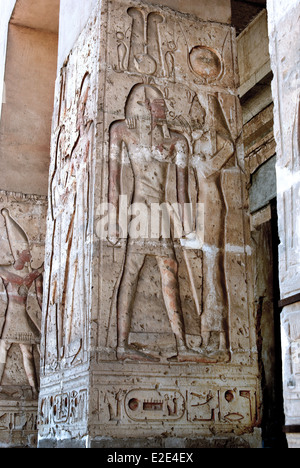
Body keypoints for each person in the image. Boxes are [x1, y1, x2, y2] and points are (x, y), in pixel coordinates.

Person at [108, 83, 204, 362]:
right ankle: (122, 344)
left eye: (163, 107)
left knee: (169, 277)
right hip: (140, 212)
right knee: (131, 274)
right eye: (157, 107)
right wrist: (113, 219)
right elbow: (114, 182)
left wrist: (187, 227)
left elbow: (181, 190)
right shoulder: (121, 132)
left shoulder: (177, 141)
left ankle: (182, 345)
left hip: (160, 214)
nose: (162, 112)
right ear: (143, 109)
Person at [0, 209, 43, 398]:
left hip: (22, 316)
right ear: (19, 253)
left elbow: (40, 293)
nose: (29, 255)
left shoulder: (29, 274)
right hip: (12, 316)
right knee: (4, 348)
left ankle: (35, 389)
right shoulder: (9, 272)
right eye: (27, 253)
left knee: (28, 352)